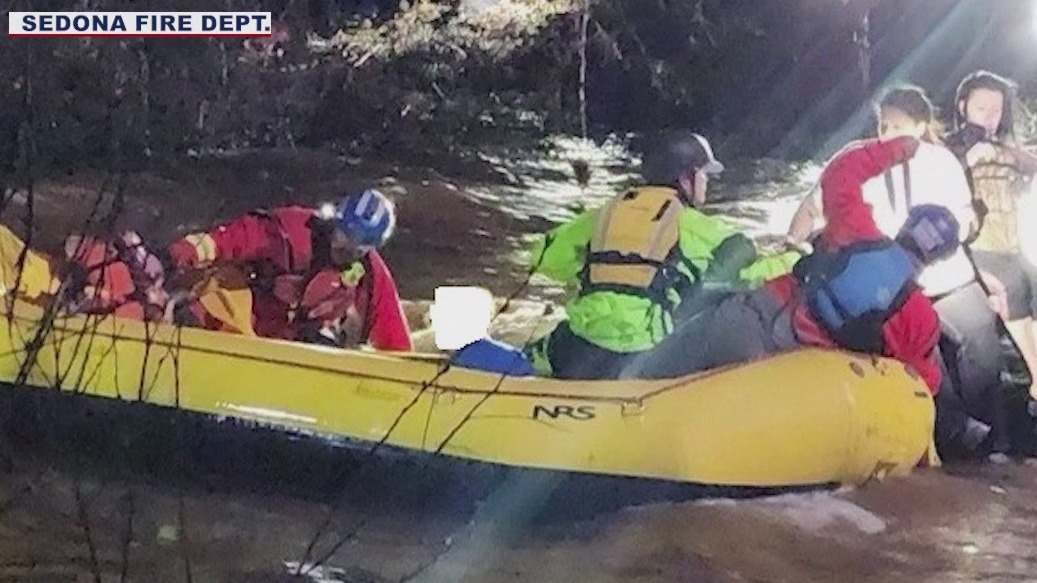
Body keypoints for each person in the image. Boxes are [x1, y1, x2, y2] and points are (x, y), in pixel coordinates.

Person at [787, 85, 1009, 458]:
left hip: (945, 280)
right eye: (883, 126)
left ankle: (990, 437)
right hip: (886, 290)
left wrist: (966, 243)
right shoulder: (858, 159)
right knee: (920, 366)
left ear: (922, 127)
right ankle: (945, 436)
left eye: (898, 127)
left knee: (982, 350)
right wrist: (793, 240)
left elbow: (965, 216)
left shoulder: (942, 162)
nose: (888, 135)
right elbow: (813, 206)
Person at [635, 137, 948, 395]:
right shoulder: (921, 317)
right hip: (789, 374)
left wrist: (896, 149)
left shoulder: (856, 231)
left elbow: (841, 173)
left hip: (745, 322)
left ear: (906, 226)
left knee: (645, 377)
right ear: (939, 258)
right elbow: (921, 385)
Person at [526, 130, 801, 379]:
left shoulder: (605, 214)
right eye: (704, 173)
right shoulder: (694, 226)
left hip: (580, 348)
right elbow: (753, 274)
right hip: (647, 356)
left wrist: (594, 269)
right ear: (686, 177)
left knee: (539, 349)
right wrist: (796, 257)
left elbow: (541, 258)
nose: (707, 182)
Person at [166, 189, 413, 351]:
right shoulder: (291, 229)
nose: (342, 244)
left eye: (354, 246)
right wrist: (187, 251)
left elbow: (395, 341)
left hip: (300, 353)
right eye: (342, 233)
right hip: (247, 329)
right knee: (215, 296)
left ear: (369, 249)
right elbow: (231, 240)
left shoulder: (372, 276)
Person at [945, 71, 1037, 402]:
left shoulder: (1009, 147)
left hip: (1017, 242)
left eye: (996, 109)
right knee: (1011, 286)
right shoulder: (947, 149)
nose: (989, 116)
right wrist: (969, 158)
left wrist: (1012, 154)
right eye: (981, 108)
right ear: (962, 106)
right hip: (979, 247)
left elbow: (1032, 166)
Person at [62, 230, 169, 322]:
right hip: (107, 272)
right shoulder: (138, 285)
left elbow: (107, 297)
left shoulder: (133, 309)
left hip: (110, 287)